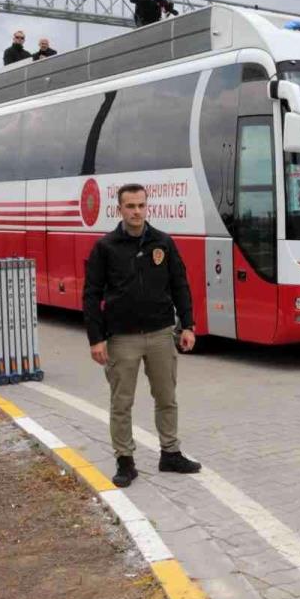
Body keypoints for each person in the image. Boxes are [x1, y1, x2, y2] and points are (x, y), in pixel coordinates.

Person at [82, 183, 201, 487]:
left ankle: (170, 453)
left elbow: (180, 285)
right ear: (119, 209)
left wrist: (187, 325)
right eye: (130, 206)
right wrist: (96, 339)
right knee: (122, 403)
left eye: (141, 206)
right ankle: (125, 461)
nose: (136, 211)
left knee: (166, 397)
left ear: (147, 207)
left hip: (161, 334)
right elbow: (91, 295)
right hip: (122, 339)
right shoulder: (105, 248)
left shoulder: (163, 242)